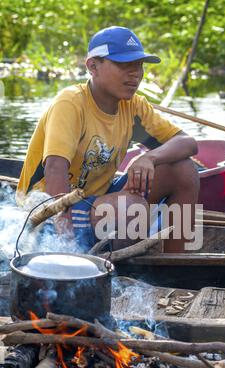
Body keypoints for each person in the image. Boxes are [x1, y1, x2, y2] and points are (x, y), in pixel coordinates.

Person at [17, 26, 199, 252]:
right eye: (124, 65)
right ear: (93, 66)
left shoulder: (133, 106)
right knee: (130, 208)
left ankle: (176, 263)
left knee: (183, 169)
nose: (135, 74)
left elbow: (188, 143)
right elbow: (55, 169)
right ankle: (105, 258)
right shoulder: (71, 103)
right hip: (48, 211)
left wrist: (149, 158)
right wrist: (64, 247)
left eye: (139, 65)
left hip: (96, 201)